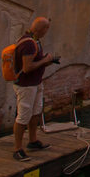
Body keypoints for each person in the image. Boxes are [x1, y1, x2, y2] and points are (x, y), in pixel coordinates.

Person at [12, 16, 59, 162]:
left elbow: (34, 63)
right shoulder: (29, 44)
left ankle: (33, 140)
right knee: (23, 116)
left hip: (36, 83)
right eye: (47, 29)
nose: (47, 32)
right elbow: (27, 68)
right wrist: (45, 60)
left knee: (35, 112)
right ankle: (17, 149)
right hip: (26, 86)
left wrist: (46, 61)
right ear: (43, 29)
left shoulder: (34, 41)